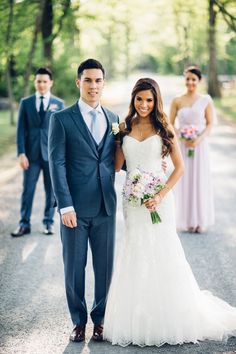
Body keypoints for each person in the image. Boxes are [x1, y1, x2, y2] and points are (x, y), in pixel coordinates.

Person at [103, 78, 236, 347]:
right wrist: (118, 141)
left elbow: (179, 169)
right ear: (133, 100)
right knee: (135, 252)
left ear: (156, 101)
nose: (144, 105)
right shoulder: (125, 128)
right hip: (133, 201)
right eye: (139, 99)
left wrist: (159, 194)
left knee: (163, 252)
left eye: (149, 100)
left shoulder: (165, 128)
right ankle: (137, 317)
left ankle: (168, 316)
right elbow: (118, 168)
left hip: (160, 200)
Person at [48, 59, 119, 342]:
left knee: (104, 269)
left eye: (98, 80)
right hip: (74, 210)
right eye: (88, 80)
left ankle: (100, 320)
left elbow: (118, 158)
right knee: (74, 269)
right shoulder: (62, 119)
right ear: (79, 82)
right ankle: (78, 321)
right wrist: (65, 205)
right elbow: (57, 164)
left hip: (105, 207)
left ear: (103, 83)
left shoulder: (114, 120)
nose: (93, 86)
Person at [11, 67, 64, 237]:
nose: (41, 84)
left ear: (51, 83)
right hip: (31, 156)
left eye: (44, 81)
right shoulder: (25, 103)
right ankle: (24, 224)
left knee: (51, 191)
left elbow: (62, 132)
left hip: (51, 155)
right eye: (38, 81)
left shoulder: (59, 104)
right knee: (28, 190)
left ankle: (48, 223)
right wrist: (21, 153)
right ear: (35, 82)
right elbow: (20, 130)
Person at [169, 66, 215, 233]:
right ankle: (186, 220)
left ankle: (199, 220)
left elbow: (210, 123)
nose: (190, 82)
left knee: (199, 180)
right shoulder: (177, 100)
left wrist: (198, 139)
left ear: (199, 81)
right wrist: (181, 137)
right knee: (184, 180)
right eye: (187, 79)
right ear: (184, 79)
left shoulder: (206, 100)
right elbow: (170, 123)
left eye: (193, 79)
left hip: (200, 146)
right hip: (182, 145)